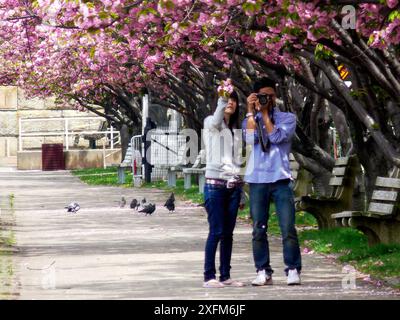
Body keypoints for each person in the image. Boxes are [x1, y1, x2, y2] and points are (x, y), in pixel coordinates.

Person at [242, 77, 302, 286]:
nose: (268, 98)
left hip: (280, 178)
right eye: (263, 95)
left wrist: (266, 114)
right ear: (255, 97)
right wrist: (252, 112)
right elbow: (250, 140)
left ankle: (293, 269)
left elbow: (276, 138)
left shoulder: (287, 118)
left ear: (276, 96)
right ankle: (262, 270)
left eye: (271, 95)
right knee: (259, 228)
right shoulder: (251, 119)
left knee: (288, 227)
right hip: (257, 180)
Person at [202, 81, 245, 288]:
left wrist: (241, 190)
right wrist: (222, 96)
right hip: (215, 186)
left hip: (233, 187)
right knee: (216, 231)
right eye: (228, 100)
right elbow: (217, 119)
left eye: (234, 100)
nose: (231, 103)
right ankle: (209, 276)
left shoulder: (235, 129)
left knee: (228, 234)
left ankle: (225, 276)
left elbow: (236, 162)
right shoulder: (211, 122)